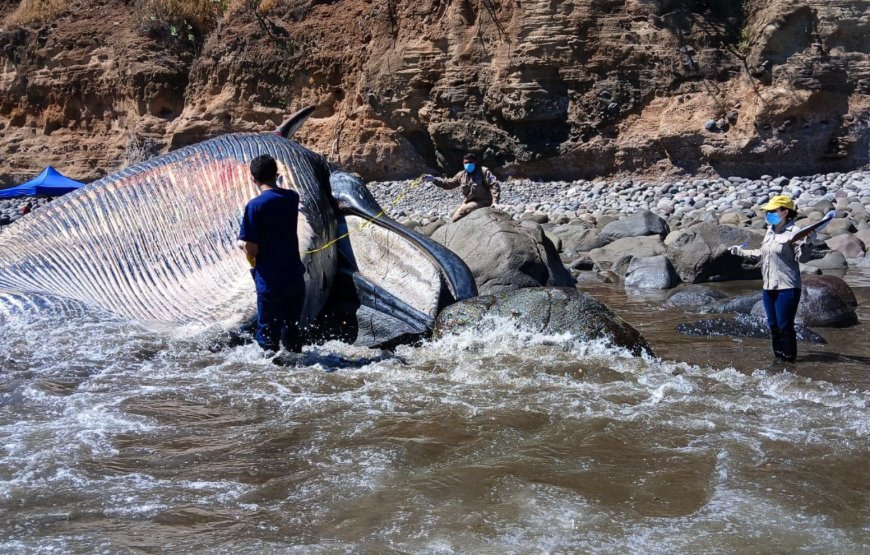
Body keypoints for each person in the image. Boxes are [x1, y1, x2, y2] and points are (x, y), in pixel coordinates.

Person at [728, 195, 817, 362]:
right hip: (768, 288)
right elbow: (762, 254)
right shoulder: (770, 231)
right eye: (768, 211)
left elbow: (803, 258)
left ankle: (790, 363)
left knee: (785, 327)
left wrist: (808, 242)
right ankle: (779, 360)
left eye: (772, 211)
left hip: (787, 288)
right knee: (773, 327)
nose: (768, 214)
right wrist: (740, 251)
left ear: (784, 212)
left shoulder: (796, 233)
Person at [238, 154, 306, 353]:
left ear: (253, 179)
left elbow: (252, 248)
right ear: (276, 175)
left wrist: (241, 245)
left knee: (268, 339)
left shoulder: (254, 206)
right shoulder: (292, 198)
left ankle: (271, 378)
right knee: (292, 332)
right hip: (294, 278)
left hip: (270, 282)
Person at [424, 153, 501, 222]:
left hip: (484, 201)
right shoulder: (461, 175)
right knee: (454, 218)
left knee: (463, 211)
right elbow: (448, 184)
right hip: (469, 201)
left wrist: (495, 202)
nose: (467, 165)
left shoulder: (484, 171)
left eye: (470, 162)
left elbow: (494, 184)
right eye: (465, 163)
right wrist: (434, 180)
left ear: (475, 162)